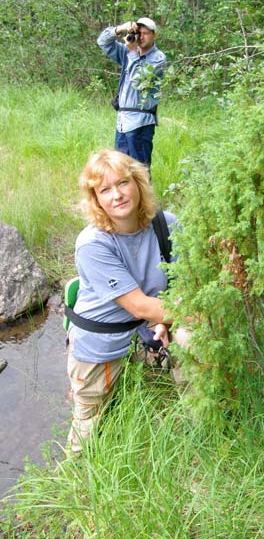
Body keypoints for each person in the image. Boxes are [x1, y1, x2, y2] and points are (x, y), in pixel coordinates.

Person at [66, 148, 189, 453]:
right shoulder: (92, 244)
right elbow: (139, 306)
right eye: (104, 190)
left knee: (192, 340)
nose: (116, 195)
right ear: (95, 199)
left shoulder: (166, 224)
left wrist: (166, 319)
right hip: (102, 342)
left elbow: (187, 281)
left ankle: (199, 431)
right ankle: (73, 483)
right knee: (88, 428)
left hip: (147, 333)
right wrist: (195, 311)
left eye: (122, 183)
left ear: (138, 183)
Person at [97, 18, 167, 168]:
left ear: (154, 35)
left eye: (144, 33)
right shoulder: (128, 52)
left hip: (140, 123)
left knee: (140, 173)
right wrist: (120, 29)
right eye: (137, 33)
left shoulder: (158, 58)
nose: (140, 37)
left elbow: (139, 81)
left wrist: (133, 52)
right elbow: (102, 42)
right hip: (122, 123)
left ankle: (147, 193)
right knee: (121, 172)